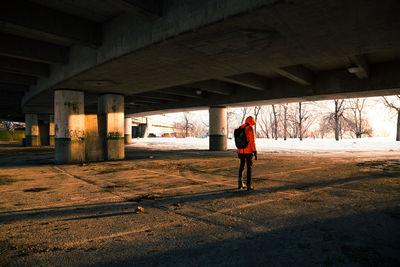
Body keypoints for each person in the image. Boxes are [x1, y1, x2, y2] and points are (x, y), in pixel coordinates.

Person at [237, 116, 257, 190]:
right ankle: (249, 185)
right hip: (248, 151)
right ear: (251, 122)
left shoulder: (240, 128)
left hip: (240, 151)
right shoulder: (250, 128)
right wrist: (254, 151)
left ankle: (240, 183)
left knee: (241, 167)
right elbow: (252, 141)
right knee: (249, 168)